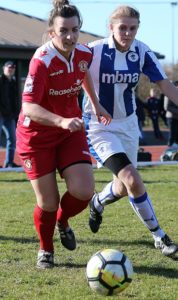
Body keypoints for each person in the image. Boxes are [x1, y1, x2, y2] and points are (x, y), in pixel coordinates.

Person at [16, 0, 111, 269]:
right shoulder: (41, 61)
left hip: (69, 130)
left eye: (75, 30)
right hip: (36, 136)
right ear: (51, 33)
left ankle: (63, 221)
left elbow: (83, 74)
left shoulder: (83, 53)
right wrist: (60, 120)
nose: (70, 37)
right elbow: (29, 107)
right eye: (63, 31)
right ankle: (45, 250)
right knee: (47, 201)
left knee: (84, 191)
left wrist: (96, 102)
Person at [83, 5, 178, 257]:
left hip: (128, 124)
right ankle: (159, 236)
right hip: (98, 126)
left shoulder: (142, 50)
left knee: (124, 187)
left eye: (132, 28)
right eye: (122, 27)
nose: (127, 33)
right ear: (110, 28)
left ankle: (97, 202)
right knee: (133, 179)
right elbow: (75, 74)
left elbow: (164, 84)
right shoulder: (93, 50)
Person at [0, 60, 20, 168]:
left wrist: (16, 112)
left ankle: (9, 163)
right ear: (4, 68)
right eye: (9, 67)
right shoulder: (0, 80)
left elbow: (15, 99)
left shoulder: (13, 82)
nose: (11, 69)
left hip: (10, 115)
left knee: (12, 139)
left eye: (12, 68)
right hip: (1, 114)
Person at [164, 81, 178, 146]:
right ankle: (169, 152)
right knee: (172, 135)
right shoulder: (169, 94)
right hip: (171, 117)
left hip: (176, 117)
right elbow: (167, 107)